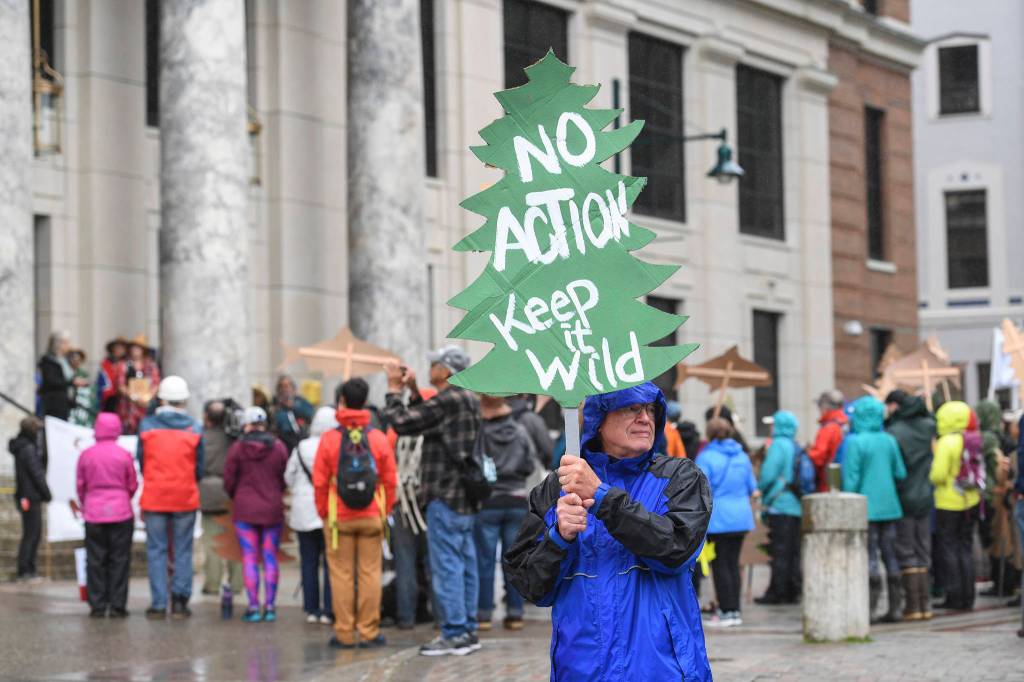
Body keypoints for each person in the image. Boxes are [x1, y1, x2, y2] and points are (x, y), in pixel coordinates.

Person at [504, 382, 712, 681]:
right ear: (598, 420)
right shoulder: (558, 487)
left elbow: (676, 551)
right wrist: (558, 538)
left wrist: (602, 497)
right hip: (581, 668)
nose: (645, 418)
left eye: (651, 409)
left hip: (661, 669)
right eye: (631, 408)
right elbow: (531, 585)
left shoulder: (680, 476)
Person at [381, 346, 482, 657]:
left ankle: (453, 632)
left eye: (436, 364)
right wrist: (413, 390)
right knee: (465, 563)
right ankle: (467, 629)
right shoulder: (467, 398)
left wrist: (394, 390)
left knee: (447, 565)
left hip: (443, 493)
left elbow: (402, 422)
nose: (432, 367)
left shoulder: (449, 398)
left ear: (447, 371)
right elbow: (429, 419)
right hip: (465, 496)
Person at [314, 378, 397, 648]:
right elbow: (389, 480)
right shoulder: (378, 438)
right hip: (372, 516)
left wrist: (325, 512)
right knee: (370, 573)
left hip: (339, 518)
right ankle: (369, 630)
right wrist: (385, 510)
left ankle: (345, 633)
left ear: (342, 401)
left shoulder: (328, 439)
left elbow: (320, 481)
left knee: (341, 575)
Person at [137, 375, 204, 620]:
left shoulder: (147, 426)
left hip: (155, 494)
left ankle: (158, 602)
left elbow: (141, 460)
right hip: (185, 495)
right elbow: (199, 466)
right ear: (183, 400)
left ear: (161, 397)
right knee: (183, 549)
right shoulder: (195, 428)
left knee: (156, 550)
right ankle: (179, 601)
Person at [842, 396, 907, 623]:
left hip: (865, 508)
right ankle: (896, 607)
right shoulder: (889, 440)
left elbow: (850, 481)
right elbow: (900, 473)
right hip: (890, 506)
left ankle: (869, 609)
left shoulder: (855, 442)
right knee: (890, 554)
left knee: (869, 556)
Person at [473, 394, 536, 631]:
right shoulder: (520, 432)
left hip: (489, 500)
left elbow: (477, 463)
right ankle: (515, 613)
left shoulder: (482, 434)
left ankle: (484, 614)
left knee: (485, 560)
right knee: (514, 560)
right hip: (517, 499)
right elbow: (529, 464)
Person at [224, 406, 289, 623]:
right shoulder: (279, 447)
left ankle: (253, 606)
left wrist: (237, 495)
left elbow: (229, 480)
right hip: (272, 508)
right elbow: (283, 476)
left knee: (249, 558)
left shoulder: (237, 448)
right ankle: (269, 606)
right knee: (270, 557)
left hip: (245, 509)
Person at [696, 417, 758, 627]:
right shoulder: (742, 456)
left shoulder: (706, 457)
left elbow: (700, 488)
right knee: (733, 563)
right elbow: (752, 487)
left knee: (720, 564)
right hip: (741, 517)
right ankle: (735, 610)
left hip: (718, 518)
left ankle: (726, 610)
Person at [76, 412, 138, 617]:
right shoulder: (124, 454)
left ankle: (97, 604)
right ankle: (118, 604)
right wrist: (122, 497)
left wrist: (88, 502)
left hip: (94, 513)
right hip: (121, 512)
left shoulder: (87, 454)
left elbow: (81, 485)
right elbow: (132, 484)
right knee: (119, 559)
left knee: (95, 560)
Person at [884, 389, 936, 620]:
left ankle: (913, 606)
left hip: (903, 495)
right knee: (923, 548)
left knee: (906, 549)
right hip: (926, 494)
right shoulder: (928, 427)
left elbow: (896, 469)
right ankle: (925, 605)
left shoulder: (894, 432)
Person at [286, 405, 338, 624]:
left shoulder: (301, 447)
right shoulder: (335, 445)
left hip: (303, 510)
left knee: (308, 561)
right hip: (328, 509)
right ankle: (329, 609)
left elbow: (288, 477)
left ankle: (311, 609)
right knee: (329, 562)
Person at [930, 400, 981, 611]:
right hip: (972, 500)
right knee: (965, 547)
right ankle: (969, 595)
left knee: (949, 548)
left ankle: (955, 595)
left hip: (948, 502)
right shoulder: (974, 439)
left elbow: (938, 474)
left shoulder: (947, 442)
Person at [755, 410, 802, 605]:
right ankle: (792, 590)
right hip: (795, 505)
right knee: (793, 552)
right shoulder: (794, 445)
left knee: (780, 551)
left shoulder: (778, 445)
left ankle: (777, 592)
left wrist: (760, 488)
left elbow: (768, 474)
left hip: (780, 504)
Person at [198, 400, 243, 597]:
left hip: (207, 494)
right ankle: (237, 583)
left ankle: (213, 584)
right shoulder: (233, 438)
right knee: (233, 541)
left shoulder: (200, 438)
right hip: (230, 492)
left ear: (206, 417)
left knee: (212, 541)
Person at [976, 400, 1020, 596]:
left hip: (996, 496)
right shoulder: (1002, 437)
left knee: (1000, 539)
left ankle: (1004, 583)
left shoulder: (986, 439)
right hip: (1005, 494)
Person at [9, 416, 51, 581]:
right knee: (32, 534)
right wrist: (46, 493)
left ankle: (28, 569)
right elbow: (36, 473)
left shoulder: (24, 447)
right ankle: (26, 570)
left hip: (27, 495)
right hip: (30, 496)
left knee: (32, 533)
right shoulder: (28, 449)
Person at [117, 336, 160, 435]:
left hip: (146, 406)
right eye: (133, 347)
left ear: (143, 350)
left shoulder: (151, 365)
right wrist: (134, 397)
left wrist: (147, 397)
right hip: (129, 407)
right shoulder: (124, 365)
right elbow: (121, 385)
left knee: (146, 432)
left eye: (138, 348)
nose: (135, 350)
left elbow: (156, 383)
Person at [807, 389, 848, 492]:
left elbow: (818, 457)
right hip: (845, 480)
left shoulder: (828, 428)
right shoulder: (847, 424)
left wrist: (806, 454)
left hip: (828, 484)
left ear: (825, 407)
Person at [38, 330, 79, 420]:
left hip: (66, 402)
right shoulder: (48, 360)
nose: (68, 345)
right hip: (54, 403)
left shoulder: (65, 360)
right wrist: (72, 382)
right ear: (58, 344)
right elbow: (51, 380)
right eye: (66, 343)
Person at [271, 374, 314, 453]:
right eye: (282, 386)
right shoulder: (274, 406)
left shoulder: (301, 402)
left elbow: (310, 414)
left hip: (300, 441)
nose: (285, 389)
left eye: (288, 385)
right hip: (283, 444)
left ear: (293, 388)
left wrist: (293, 407)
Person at [96, 336, 128, 413]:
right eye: (117, 348)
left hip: (125, 398)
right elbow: (104, 384)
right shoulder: (106, 364)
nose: (119, 350)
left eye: (122, 348)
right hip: (111, 398)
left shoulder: (128, 364)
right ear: (112, 349)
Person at [68, 349, 95, 427]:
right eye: (73, 358)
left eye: (78, 359)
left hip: (82, 404)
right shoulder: (67, 373)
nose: (76, 361)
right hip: (70, 405)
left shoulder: (84, 374)